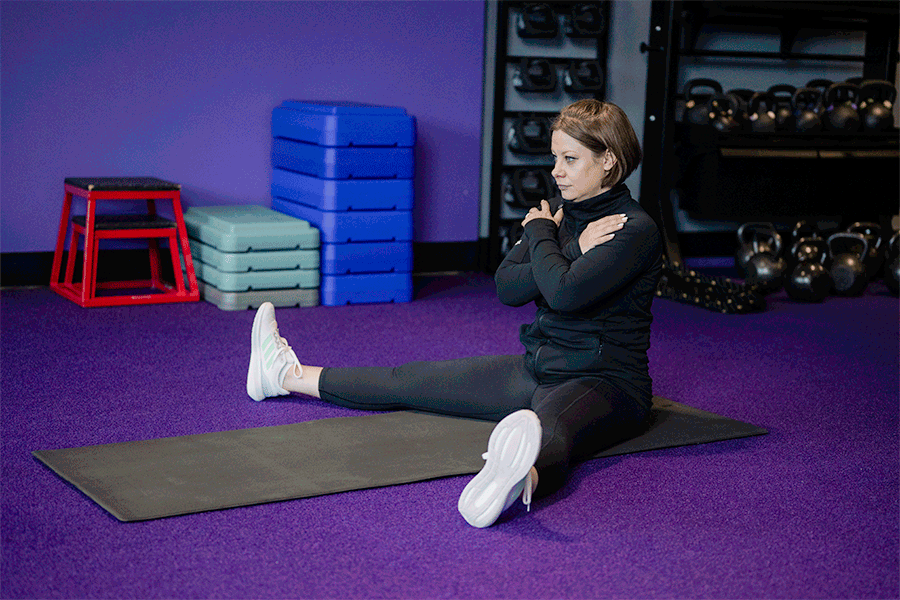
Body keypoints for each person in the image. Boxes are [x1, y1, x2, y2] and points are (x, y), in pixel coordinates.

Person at [246, 99, 662, 528]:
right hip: (538, 368)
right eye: (555, 158)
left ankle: (514, 483)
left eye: (570, 159)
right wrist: (564, 244)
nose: (556, 171)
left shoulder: (631, 229)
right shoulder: (555, 215)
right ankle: (283, 374)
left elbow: (562, 293)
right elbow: (507, 286)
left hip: (606, 383)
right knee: (410, 380)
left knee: (552, 430)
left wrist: (543, 237)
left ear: (608, 160)